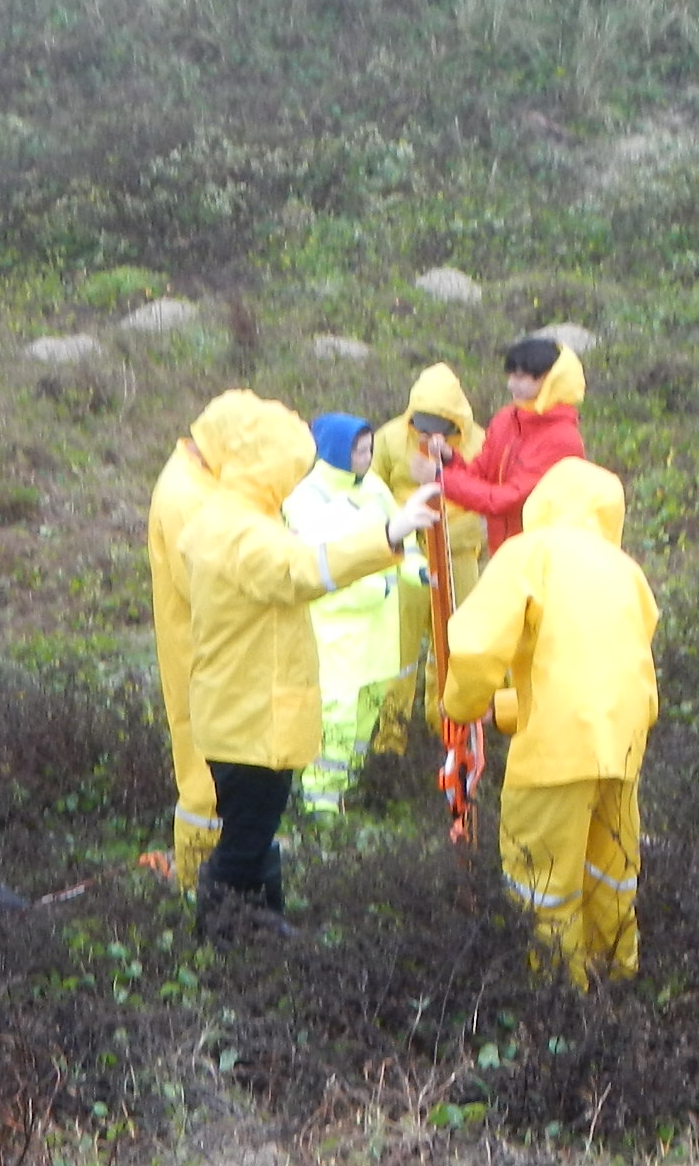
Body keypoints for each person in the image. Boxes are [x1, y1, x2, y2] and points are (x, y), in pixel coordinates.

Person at [184, 398, 442, 929]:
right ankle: (220, 936)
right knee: (245, 839)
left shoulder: (232, 517)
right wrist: (391, 535)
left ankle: (262, 920)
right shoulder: (242, 534)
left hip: (242, 711)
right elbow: (302, 571)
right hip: (250, 720)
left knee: (255, 832)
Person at [440, 458, 656, 987]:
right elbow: (599, 666)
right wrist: (510, 709)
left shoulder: (529, 554)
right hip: (622, 747)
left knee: (543, 882)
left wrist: (461, 707)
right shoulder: (626, 570)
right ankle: (617, 978)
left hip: (554, 756)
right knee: (611, 870)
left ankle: (560, 997)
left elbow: (474, 645)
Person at [143, 391, 272, 887]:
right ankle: (196, 883)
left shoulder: (201, 481)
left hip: (216, 650)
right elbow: (205, 580)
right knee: (203, 779)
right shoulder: (183, 497)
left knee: (224, 771)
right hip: (198, 652)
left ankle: (224, 871)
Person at [280, 412, 420, 814]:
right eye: (359, 450)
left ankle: (347, 787)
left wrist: (418, 571)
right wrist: (379, 584)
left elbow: (401, 541)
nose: (367, 456)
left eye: (370, 448)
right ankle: (320, 805)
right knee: (336, 717)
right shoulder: (307, 499)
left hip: (377, 630)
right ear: (337, 451)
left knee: (368, 710)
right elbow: (323, 563)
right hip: (336, 629)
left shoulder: (375, 488)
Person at [369, 364, 489, 743]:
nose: (430, 433)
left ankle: (451, 734)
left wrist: (444, 475)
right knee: (398, 649)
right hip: (406, 558)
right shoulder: (389, 439)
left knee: (456, 646)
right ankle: (391, 736)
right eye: (422, 424)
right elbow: (371, 493)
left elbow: (490, 494)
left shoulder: (480, 444)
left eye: (441, 425)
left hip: (458, 556)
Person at [439, 336, 587, 562]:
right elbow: (480, 474)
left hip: (542, 560)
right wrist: (449, 461)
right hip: (504, 555)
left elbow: (503, 500)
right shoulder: (507, 419)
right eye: (511, 375)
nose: (511, 384)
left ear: (550, 380)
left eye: (521, 377)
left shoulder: (562, 439)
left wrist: (441, 479)